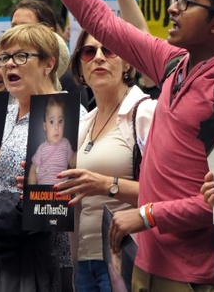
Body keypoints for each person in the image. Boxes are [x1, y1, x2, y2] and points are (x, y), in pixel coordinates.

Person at [8, 0, 214, 289]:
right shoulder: (174, 63)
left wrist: (147, 214)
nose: (172, 9)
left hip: (197, 276)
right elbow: (100, 20)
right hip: (146, 264)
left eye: (187, 3)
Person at [0, 23, 80, 292]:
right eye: (4, 58)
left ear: (48, 63)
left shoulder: (72, 119)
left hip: (39, 261)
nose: (8, 65)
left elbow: (66, 198)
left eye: (21, 56)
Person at [55, 28, 156, 291]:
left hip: (130, 260)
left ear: (126, 63)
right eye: (89, 52)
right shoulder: (81, 123)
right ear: (79, 66)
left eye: (108, 50)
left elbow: (167, 195)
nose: (98, 57)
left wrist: (106, 185)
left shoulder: (145, 113)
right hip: (85, 261)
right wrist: (40, 185)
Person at [28, 95, 74, 185]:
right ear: (45, 127)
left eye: (60, 121)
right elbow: (33, 169)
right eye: (52, 122)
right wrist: (31, 189)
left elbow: (73, 163)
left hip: (62, 191)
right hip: (44, 191)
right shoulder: (42, 148)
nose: (56, 127)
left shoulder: (66, 144)